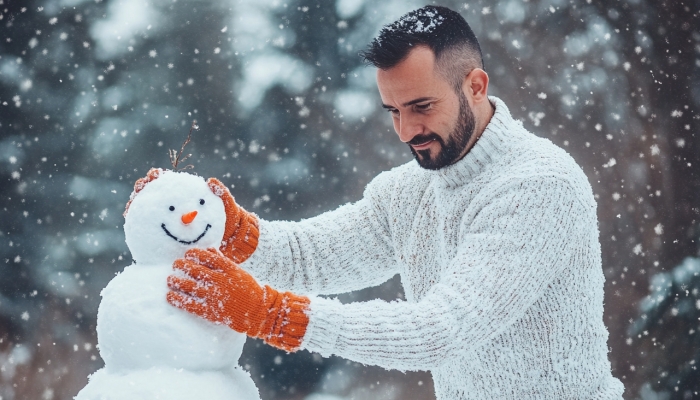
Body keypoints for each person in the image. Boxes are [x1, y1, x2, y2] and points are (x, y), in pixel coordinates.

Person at [135, 5, 625, 399]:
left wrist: (274, 315)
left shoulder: (540, 186)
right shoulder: (410, 191)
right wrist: (224, 227)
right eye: (393, 111)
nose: (407, 131)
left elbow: (442, 329)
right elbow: (314, 256)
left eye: (421, 107)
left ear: (475, 86)